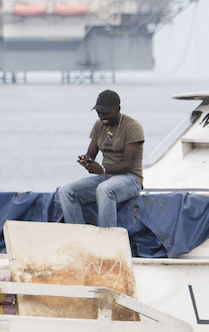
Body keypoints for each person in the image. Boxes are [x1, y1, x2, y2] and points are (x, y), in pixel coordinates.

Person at [56, 89, 146, 230]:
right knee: (66, 191)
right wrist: (86, 161)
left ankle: (107, 240)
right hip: (106, 176)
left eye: (106, 112)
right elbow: (91, 153)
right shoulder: (99, 125)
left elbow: (129, 165)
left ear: (118, 109)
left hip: (131, 179)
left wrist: (103, 169)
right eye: (99, 112)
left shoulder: (132, 127)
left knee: (105, 190)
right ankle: (81, 237)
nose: (102, 116)